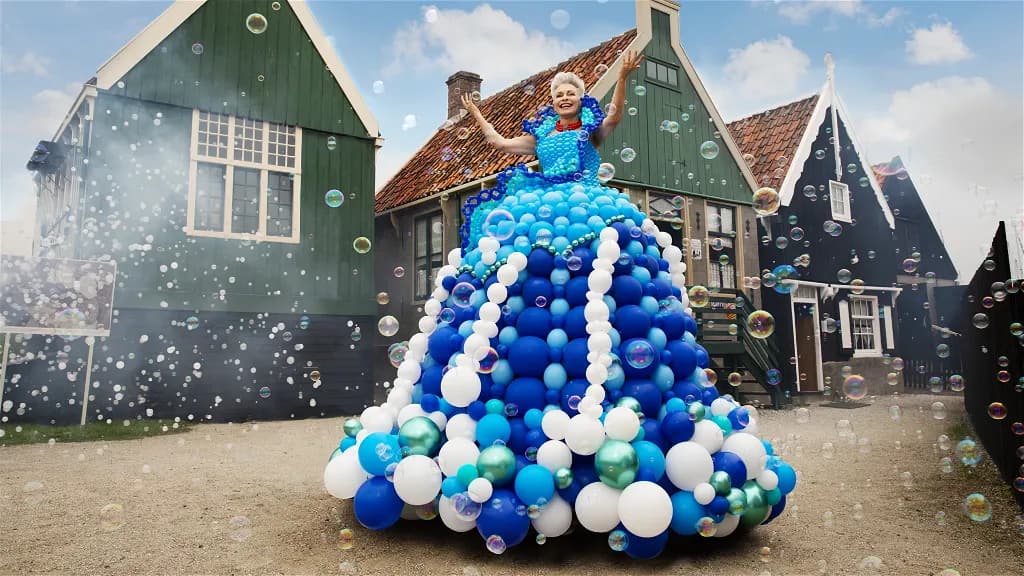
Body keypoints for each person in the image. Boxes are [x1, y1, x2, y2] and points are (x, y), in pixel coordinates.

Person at [324, 50, 796, 558]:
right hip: (539, 209)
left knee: (615, 276)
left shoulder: (589, 129)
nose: (564, 95)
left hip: (584, 207)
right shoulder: (543, 132)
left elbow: (614, 118)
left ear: (581, 95)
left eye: (571, 89)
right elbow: (501, 143)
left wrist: (626, 80)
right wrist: (479, 113)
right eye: (557, 92)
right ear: (550, 101)